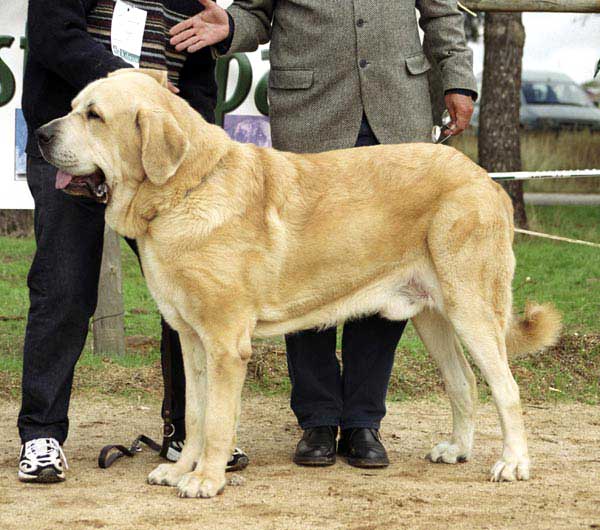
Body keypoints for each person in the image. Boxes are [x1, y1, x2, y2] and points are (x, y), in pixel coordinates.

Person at [170, 0, 477, 468]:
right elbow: (255, 13)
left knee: (387, 270)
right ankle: (316, 419)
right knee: (299, 270)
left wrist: (456, 79)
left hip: (397, 112)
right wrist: (232, 25)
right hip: (311, 117)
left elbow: (442, 15)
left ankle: (363, 420)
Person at [18, 0, 247, 483]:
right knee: (62, 289)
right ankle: (41, 434)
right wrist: (135, 89)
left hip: (157, 167)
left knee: (193, 298)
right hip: (75, 149)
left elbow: (200, 82)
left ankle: (190, 433)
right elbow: (53, 32)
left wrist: (188, 144)